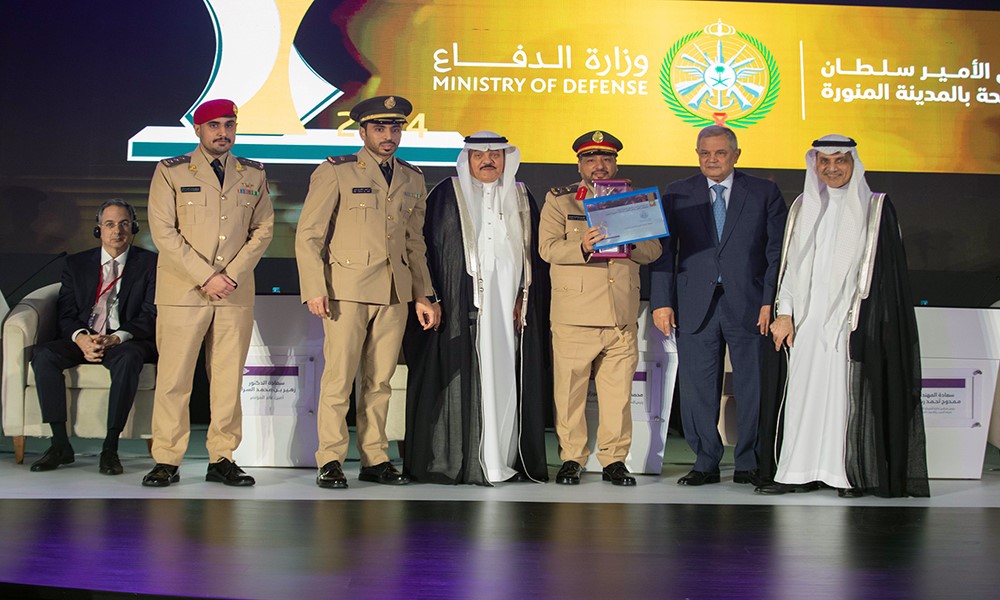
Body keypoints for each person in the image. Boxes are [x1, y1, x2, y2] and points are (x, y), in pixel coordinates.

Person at [757, 135, 929, 498]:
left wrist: (866, 324)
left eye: (840, 161)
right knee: (803, 397)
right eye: (824, 161)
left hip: (852, 324)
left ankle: (845, 475)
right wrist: (785, 313)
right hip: (806, 323)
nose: (832, 168)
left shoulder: (876, 208)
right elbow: (791, 267)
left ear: (853, 163)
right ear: (815, 164)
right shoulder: (803, 206)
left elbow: (886, 278)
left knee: (844, 400)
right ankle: (798, 472)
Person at [295, 95, 439, 489]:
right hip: (347, 290)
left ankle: (375, 458)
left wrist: (423, 294)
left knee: (380, 382)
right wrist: (314, 287)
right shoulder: (336, 171)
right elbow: (309, 235)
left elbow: (414, 243)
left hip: (395, 293)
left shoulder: (412, 177)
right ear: (362, 132)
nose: (388, 135)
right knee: (339, 379)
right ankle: (330, 458)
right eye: (379, 128)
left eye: (395, 128)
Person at [402, 131, 550, 485]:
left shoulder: (521, 196)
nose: (488, 160)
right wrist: (433, 296)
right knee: (464, 381)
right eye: (479, 154)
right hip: (461, 308)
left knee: (507, 378)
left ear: (505, 158)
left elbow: (535, 259)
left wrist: (523, 296)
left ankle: (503, 458)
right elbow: (429, 250)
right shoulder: (446, 195)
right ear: (467, 159)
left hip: (510, 312)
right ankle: (466, 459)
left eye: (495, 154)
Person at [143, 99, 274, 487]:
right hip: (183, 290)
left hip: (233, 291)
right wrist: (206, 276)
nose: (223, 132)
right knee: (174, 380)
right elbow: (164, 232)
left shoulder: (253, 173)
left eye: (229, 124)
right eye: (214, 125)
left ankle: (222, 457)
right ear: (197, 129)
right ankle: (167, 459)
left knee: (228, 380)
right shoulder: (171, 171)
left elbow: (263, 230)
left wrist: (229, 275)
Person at [650, 125, 787, 487]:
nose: (711, 159)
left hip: (751, 304)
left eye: (720, 153)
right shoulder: (678, 192)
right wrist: (661, 301)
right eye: (704, 153)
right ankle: (705, 461)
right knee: (697, 387)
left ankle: (749, 462)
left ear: (736, 155)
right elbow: (664, 251)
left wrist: (770, 300)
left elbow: (777, 252)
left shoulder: (764, 192)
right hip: (694, 305)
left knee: (753, 386)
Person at [538, 130, 662, 487]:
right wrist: (583, 245)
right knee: (569, 392)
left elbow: (654, 251)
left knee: (618, 395)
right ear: (579, 165)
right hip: (575, 313)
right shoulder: (561, 200)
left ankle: (614, 460)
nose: (599, 166)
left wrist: (631, 239)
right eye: (591, 159)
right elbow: (547, 248)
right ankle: (571, 458)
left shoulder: (634, 200)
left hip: (620, 313)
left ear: (616, 164)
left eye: (606, 159)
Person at [28, 199, 157, 476]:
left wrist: (117, 338)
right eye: (110, 224)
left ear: (134, 228)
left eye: (124, 224)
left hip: (124, 340)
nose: (117, 231)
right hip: (85, 336)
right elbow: (66, 313)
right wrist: (81, 338)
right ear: (98, 229)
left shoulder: (150, 264)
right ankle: (60, 445)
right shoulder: (76, 264)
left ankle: (110, 447)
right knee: (44, 355)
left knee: (129, 358)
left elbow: (150, 314)